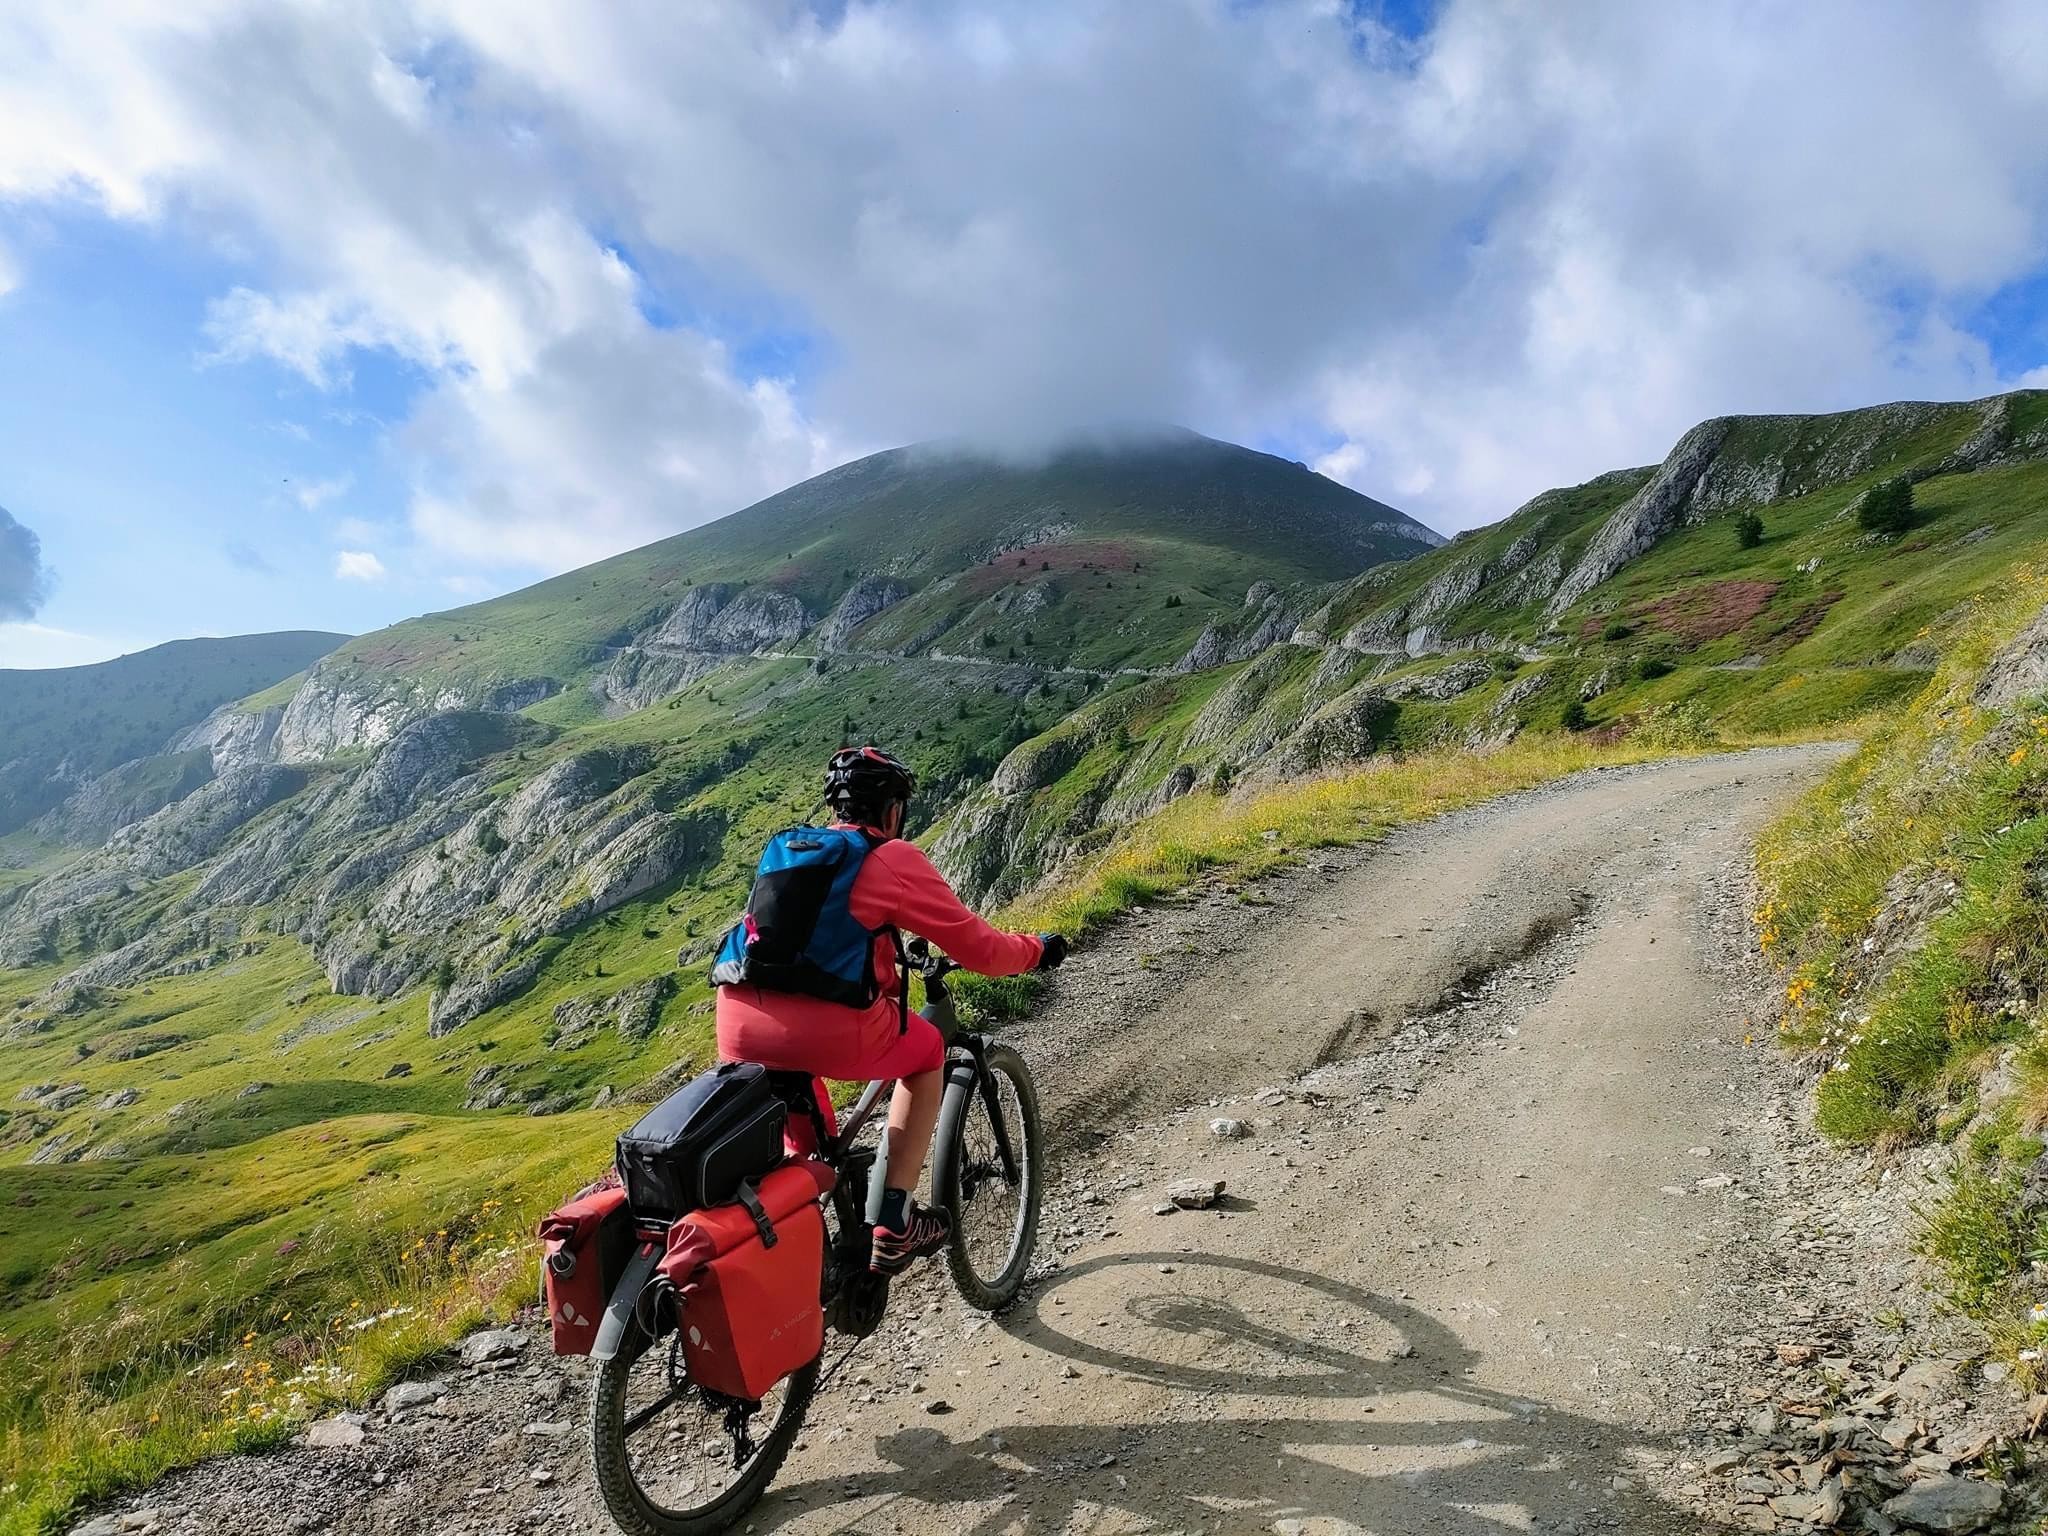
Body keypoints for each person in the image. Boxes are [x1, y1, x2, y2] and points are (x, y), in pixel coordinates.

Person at [714, 746, 1067, 1274]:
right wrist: (1037, 950)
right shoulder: (889, 857)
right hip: (826, 1029)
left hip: (738, 1021)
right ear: (893, 809)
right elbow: (984, 951)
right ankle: (896, 1222)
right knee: (926, 1053)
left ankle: (806, 1251)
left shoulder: (793, 849)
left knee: (811, 1152)